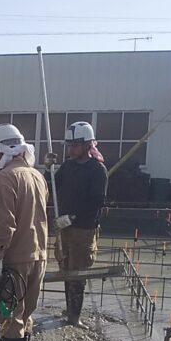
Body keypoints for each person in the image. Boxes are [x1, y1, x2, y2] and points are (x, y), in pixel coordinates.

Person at [0, 124, 48, 341]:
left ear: (0, 150)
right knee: (25, 313)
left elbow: (3, 221)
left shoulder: (5, 178)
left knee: (8, 315)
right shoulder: (36, 176)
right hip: (38, 255)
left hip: (15, 258)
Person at [53, 121, 108, 327]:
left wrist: (73, 217)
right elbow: (51, 184)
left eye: (75, 145)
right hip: (64, 227)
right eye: (69, 145)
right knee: (66, 268)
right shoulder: (67, 166)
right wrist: (47, 169)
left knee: (78, 273)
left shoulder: (97, 170)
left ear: (87, 146)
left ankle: (74, 317)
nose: (71, 149)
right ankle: (69, 309)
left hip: (83, 230)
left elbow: (96, 202)